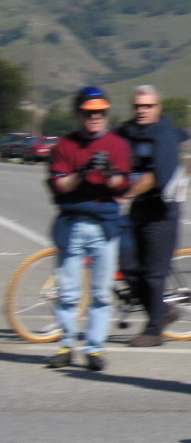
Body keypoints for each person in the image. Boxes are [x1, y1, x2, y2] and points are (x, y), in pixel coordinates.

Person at [46, 86, 132, 371]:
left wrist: (109, 173)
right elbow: (59, 185)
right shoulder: (64, 146)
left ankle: (94, 348)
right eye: (89, 113)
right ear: (79, 114)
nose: (95, 117)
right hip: (72, 223)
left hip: (104, 225)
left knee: (101, 292)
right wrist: (82, 172)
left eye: (101, 112)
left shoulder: (118, 145)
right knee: (68, 291)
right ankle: (67, 344)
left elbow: (123, 187)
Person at [117, 85, 190, 347]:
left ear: (158, 108)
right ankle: (162, 310)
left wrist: (126, 193)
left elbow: (157, 176)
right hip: (139, 208)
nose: (142, 111)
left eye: (148, 106)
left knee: (153, 272)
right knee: (126, 265)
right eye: (138, 106)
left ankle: (154, 329)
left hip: (162, 211)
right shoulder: (127, 132)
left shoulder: (164, 136)